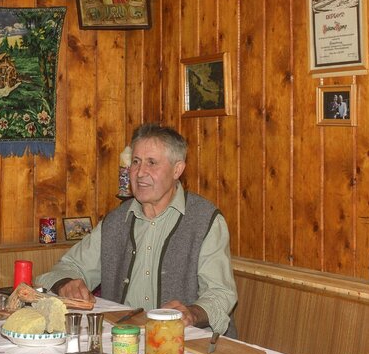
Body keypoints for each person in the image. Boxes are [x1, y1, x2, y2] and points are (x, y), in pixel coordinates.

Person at [37, 123, 238, 335]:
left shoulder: (204, 220)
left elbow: (221, 293)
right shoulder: (116, 221)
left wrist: (193, 313)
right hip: (124, 341)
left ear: (177, 170)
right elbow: (67, 267)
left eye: (151, 163)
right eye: (136, 162)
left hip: (190, 343)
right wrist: (66, 283)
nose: (140, 172)